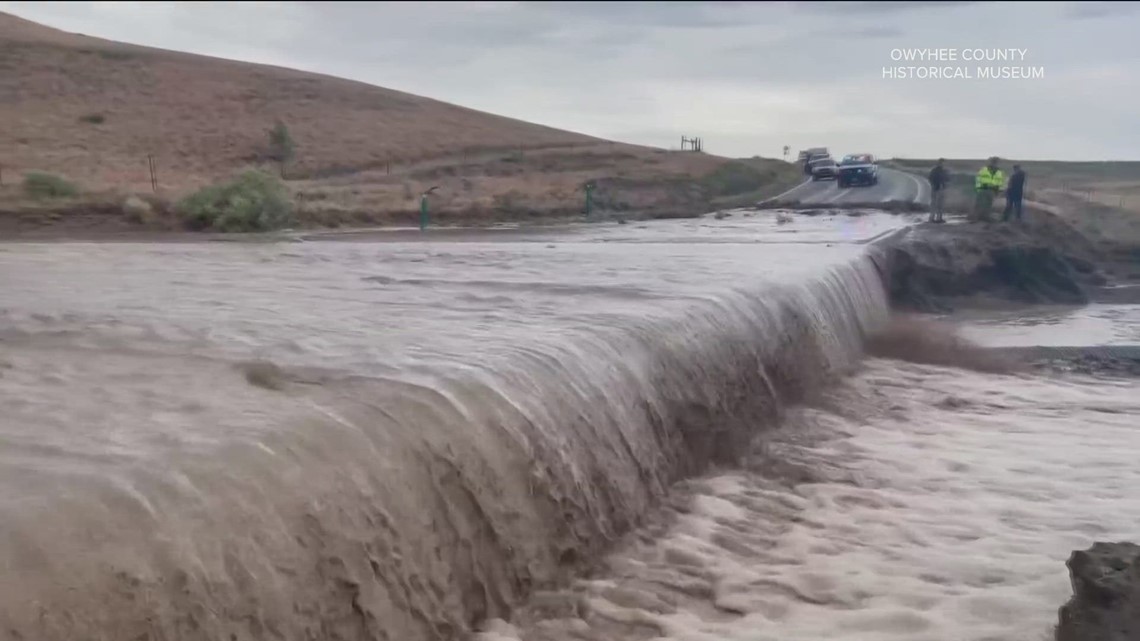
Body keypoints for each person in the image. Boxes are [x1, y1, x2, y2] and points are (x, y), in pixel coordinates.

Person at [972, 156, 1004, 222]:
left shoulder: (999, 172)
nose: (994, 163)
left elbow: (1000, 182)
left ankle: (984, 218)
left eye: (995, 162)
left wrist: (998, 190)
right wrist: (978, 189)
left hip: (992, 190)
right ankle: (975, 218)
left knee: (988, 205)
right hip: (983, 189)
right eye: (993, 161)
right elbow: (978, 179)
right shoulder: (984, 170)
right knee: (979, 204)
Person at [928, 158, 949, 223]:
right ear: (939, 163)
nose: (943, 164)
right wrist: (934, 185)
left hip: (941, 188)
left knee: (940, 204)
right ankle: (932, 218)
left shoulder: (943, 171)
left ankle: (938, 218)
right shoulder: (935, 170)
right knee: (934, 204)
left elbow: (947, 179)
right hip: (936, 188)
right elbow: (930, 178)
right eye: (942, 163)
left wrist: (945, 184)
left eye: (944, 163)